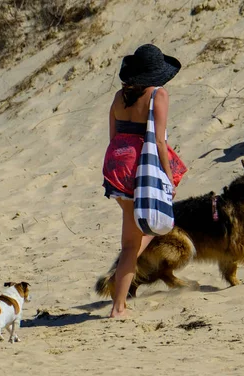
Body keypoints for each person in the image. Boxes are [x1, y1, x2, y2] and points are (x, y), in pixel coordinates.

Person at [102, 44, 187, 318]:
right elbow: (159, 141)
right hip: (142, 167)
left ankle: (118, 294)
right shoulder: (158, 94)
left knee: (137, 235)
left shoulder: (118, 96)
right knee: (137, 239)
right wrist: (168, 177)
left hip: (116, 166)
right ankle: (118, 306)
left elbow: (113, 136)